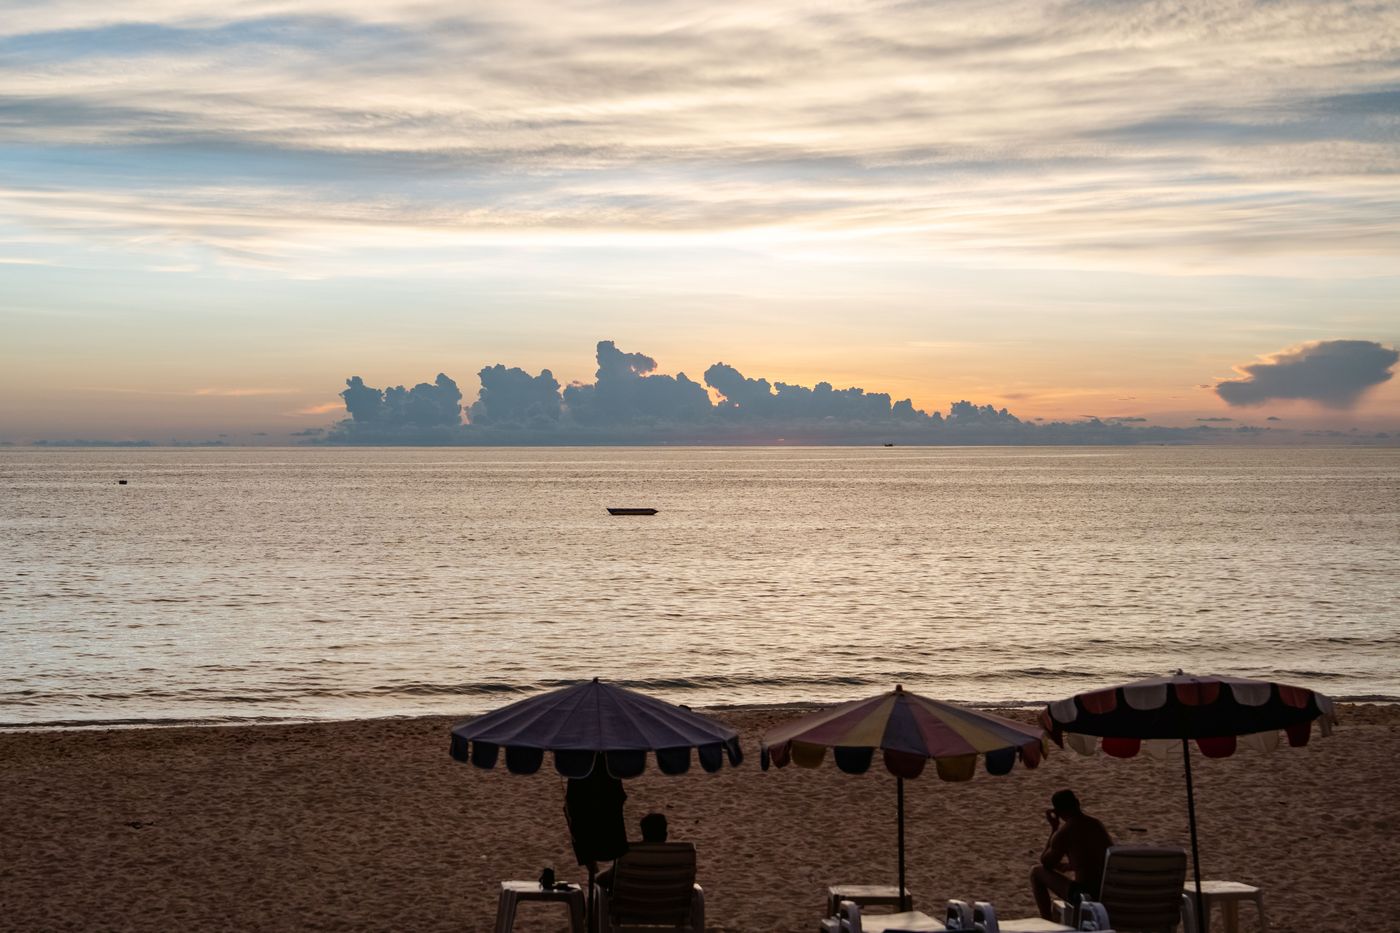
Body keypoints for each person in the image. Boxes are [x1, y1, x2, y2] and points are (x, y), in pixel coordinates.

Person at [1030, 789, 1114, 921]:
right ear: (1077, 803)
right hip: (1108, 891)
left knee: (1036, 872)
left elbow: (1046, 862)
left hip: (1085, 894)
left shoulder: (1065, 832)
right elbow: (1098, 858)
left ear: (1057, 812)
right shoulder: (1097, 825)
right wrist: (1072, 866)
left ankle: (1046, 921)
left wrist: (1054, 828)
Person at [596, 812, 669, 891]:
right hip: (668, 902)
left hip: (632, 901)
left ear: (643, 834)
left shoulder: (630, 855)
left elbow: (601, 880)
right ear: (665, 835)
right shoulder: (675, 857)